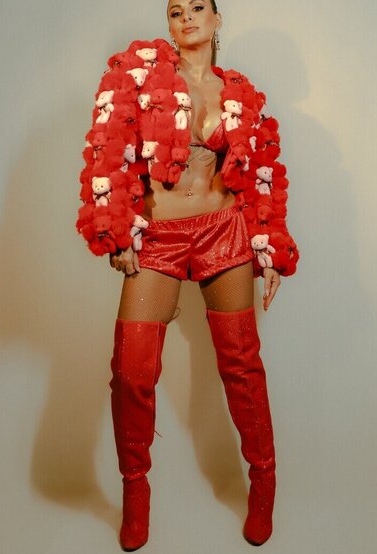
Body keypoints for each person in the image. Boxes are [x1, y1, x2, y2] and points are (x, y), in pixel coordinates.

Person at [76, 0, 299, 550]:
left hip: (224, 230)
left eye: (198, 7)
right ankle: (135, 490)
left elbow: (260, 173)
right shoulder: (137, 76)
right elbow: (107, 152)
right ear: (169, 24)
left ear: (217, 19)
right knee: (131, 370)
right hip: (159, 236)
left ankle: (264, 482)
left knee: (241, 363)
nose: (187, 18)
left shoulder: (241, 93)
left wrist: (269, 247)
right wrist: (115, 231)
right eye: (176, 11)